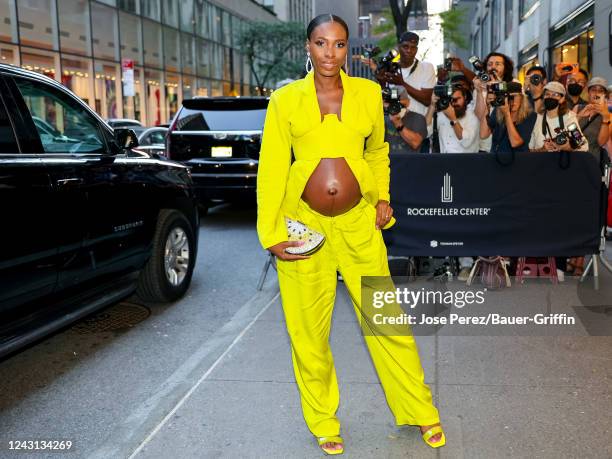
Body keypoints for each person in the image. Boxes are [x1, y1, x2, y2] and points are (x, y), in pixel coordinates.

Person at [256, 14, 445, 454]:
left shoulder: (367, 93)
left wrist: (381, 197)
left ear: (347, 49)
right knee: (308, 333)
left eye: (339, 45)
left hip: (359, 225)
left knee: (387, 322)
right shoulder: (285, 101)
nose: (330, 53)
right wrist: (270, 233)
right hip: (303, 228)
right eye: (321, 44)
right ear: (308, 46)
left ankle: (420, 411)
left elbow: (378, 151)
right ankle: (323, 421)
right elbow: (270, 170)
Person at [528, 81, 589, 153]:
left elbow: (583, 145)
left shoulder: (569, 118)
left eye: (555, 94)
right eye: (547, 94)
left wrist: (568, 147)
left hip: (562, 162)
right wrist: (542, 149)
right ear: (543, 97)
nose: (550, 97)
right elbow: (530, 150)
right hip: (541, 162)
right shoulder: (537, 118)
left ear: (562, 99)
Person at [479, 82, 537, 154]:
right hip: (497, 158)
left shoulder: (530, 115)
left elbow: (515, 143)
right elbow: (483, 135)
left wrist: (507, 114)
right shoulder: (498, 111)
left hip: (519, 160)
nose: (512, 101)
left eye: (514, 96)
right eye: (509, 97)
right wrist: (487, 106)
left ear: (522, 97)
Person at [427, 87, 479, 153]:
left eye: (458, 99)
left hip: (466, 160)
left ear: (465, 97)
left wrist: (453, 119)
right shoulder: (442, 115)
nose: (455, 103)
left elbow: (466, 142)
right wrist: (432, 106)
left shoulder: (473, 116)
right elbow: (426, 132)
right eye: (451, 99)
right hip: (445, 160)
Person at [573, 77, 611, 158]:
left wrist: (605, 118)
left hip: (592, 159)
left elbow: (601, 142)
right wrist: (580, 115)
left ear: (604, 95)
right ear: (588, 92)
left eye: (600, 91)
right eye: (593, 90)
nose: (596, 93)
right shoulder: (578, 108)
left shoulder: (608, 115)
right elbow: (568, 130)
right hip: (574, 156)